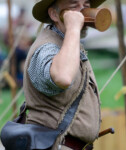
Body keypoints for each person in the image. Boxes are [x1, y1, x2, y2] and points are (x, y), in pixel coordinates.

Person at [23, 0, 106, 150]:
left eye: (86, 5)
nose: (82, 12)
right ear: (54, 14)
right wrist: (73, 28)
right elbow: (63, 78)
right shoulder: (46, 47)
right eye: (74, 6)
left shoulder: (68, 43)